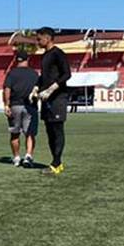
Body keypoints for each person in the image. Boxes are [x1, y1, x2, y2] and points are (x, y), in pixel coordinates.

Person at [33, 27, 72, 175]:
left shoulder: (58, 53)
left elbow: (67, 74)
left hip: (57, 98)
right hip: (45, 99)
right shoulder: (45, 55)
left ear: (48, 38)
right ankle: (57, 162)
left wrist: (51, 89)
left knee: (57, 130)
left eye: (39, 39)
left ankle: (56, 163)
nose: (38, 42)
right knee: (49, 131)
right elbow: (44, 76)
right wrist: (36, 87)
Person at [3, 50, 39, 167]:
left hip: (15, 105)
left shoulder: (12, 73)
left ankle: (17, 157)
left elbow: (7, 90)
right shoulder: (34, 74)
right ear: (27, 59)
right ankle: (28, 156)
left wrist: (6, 104)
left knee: (15, 133)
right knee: (30, 133)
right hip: (30, 106)